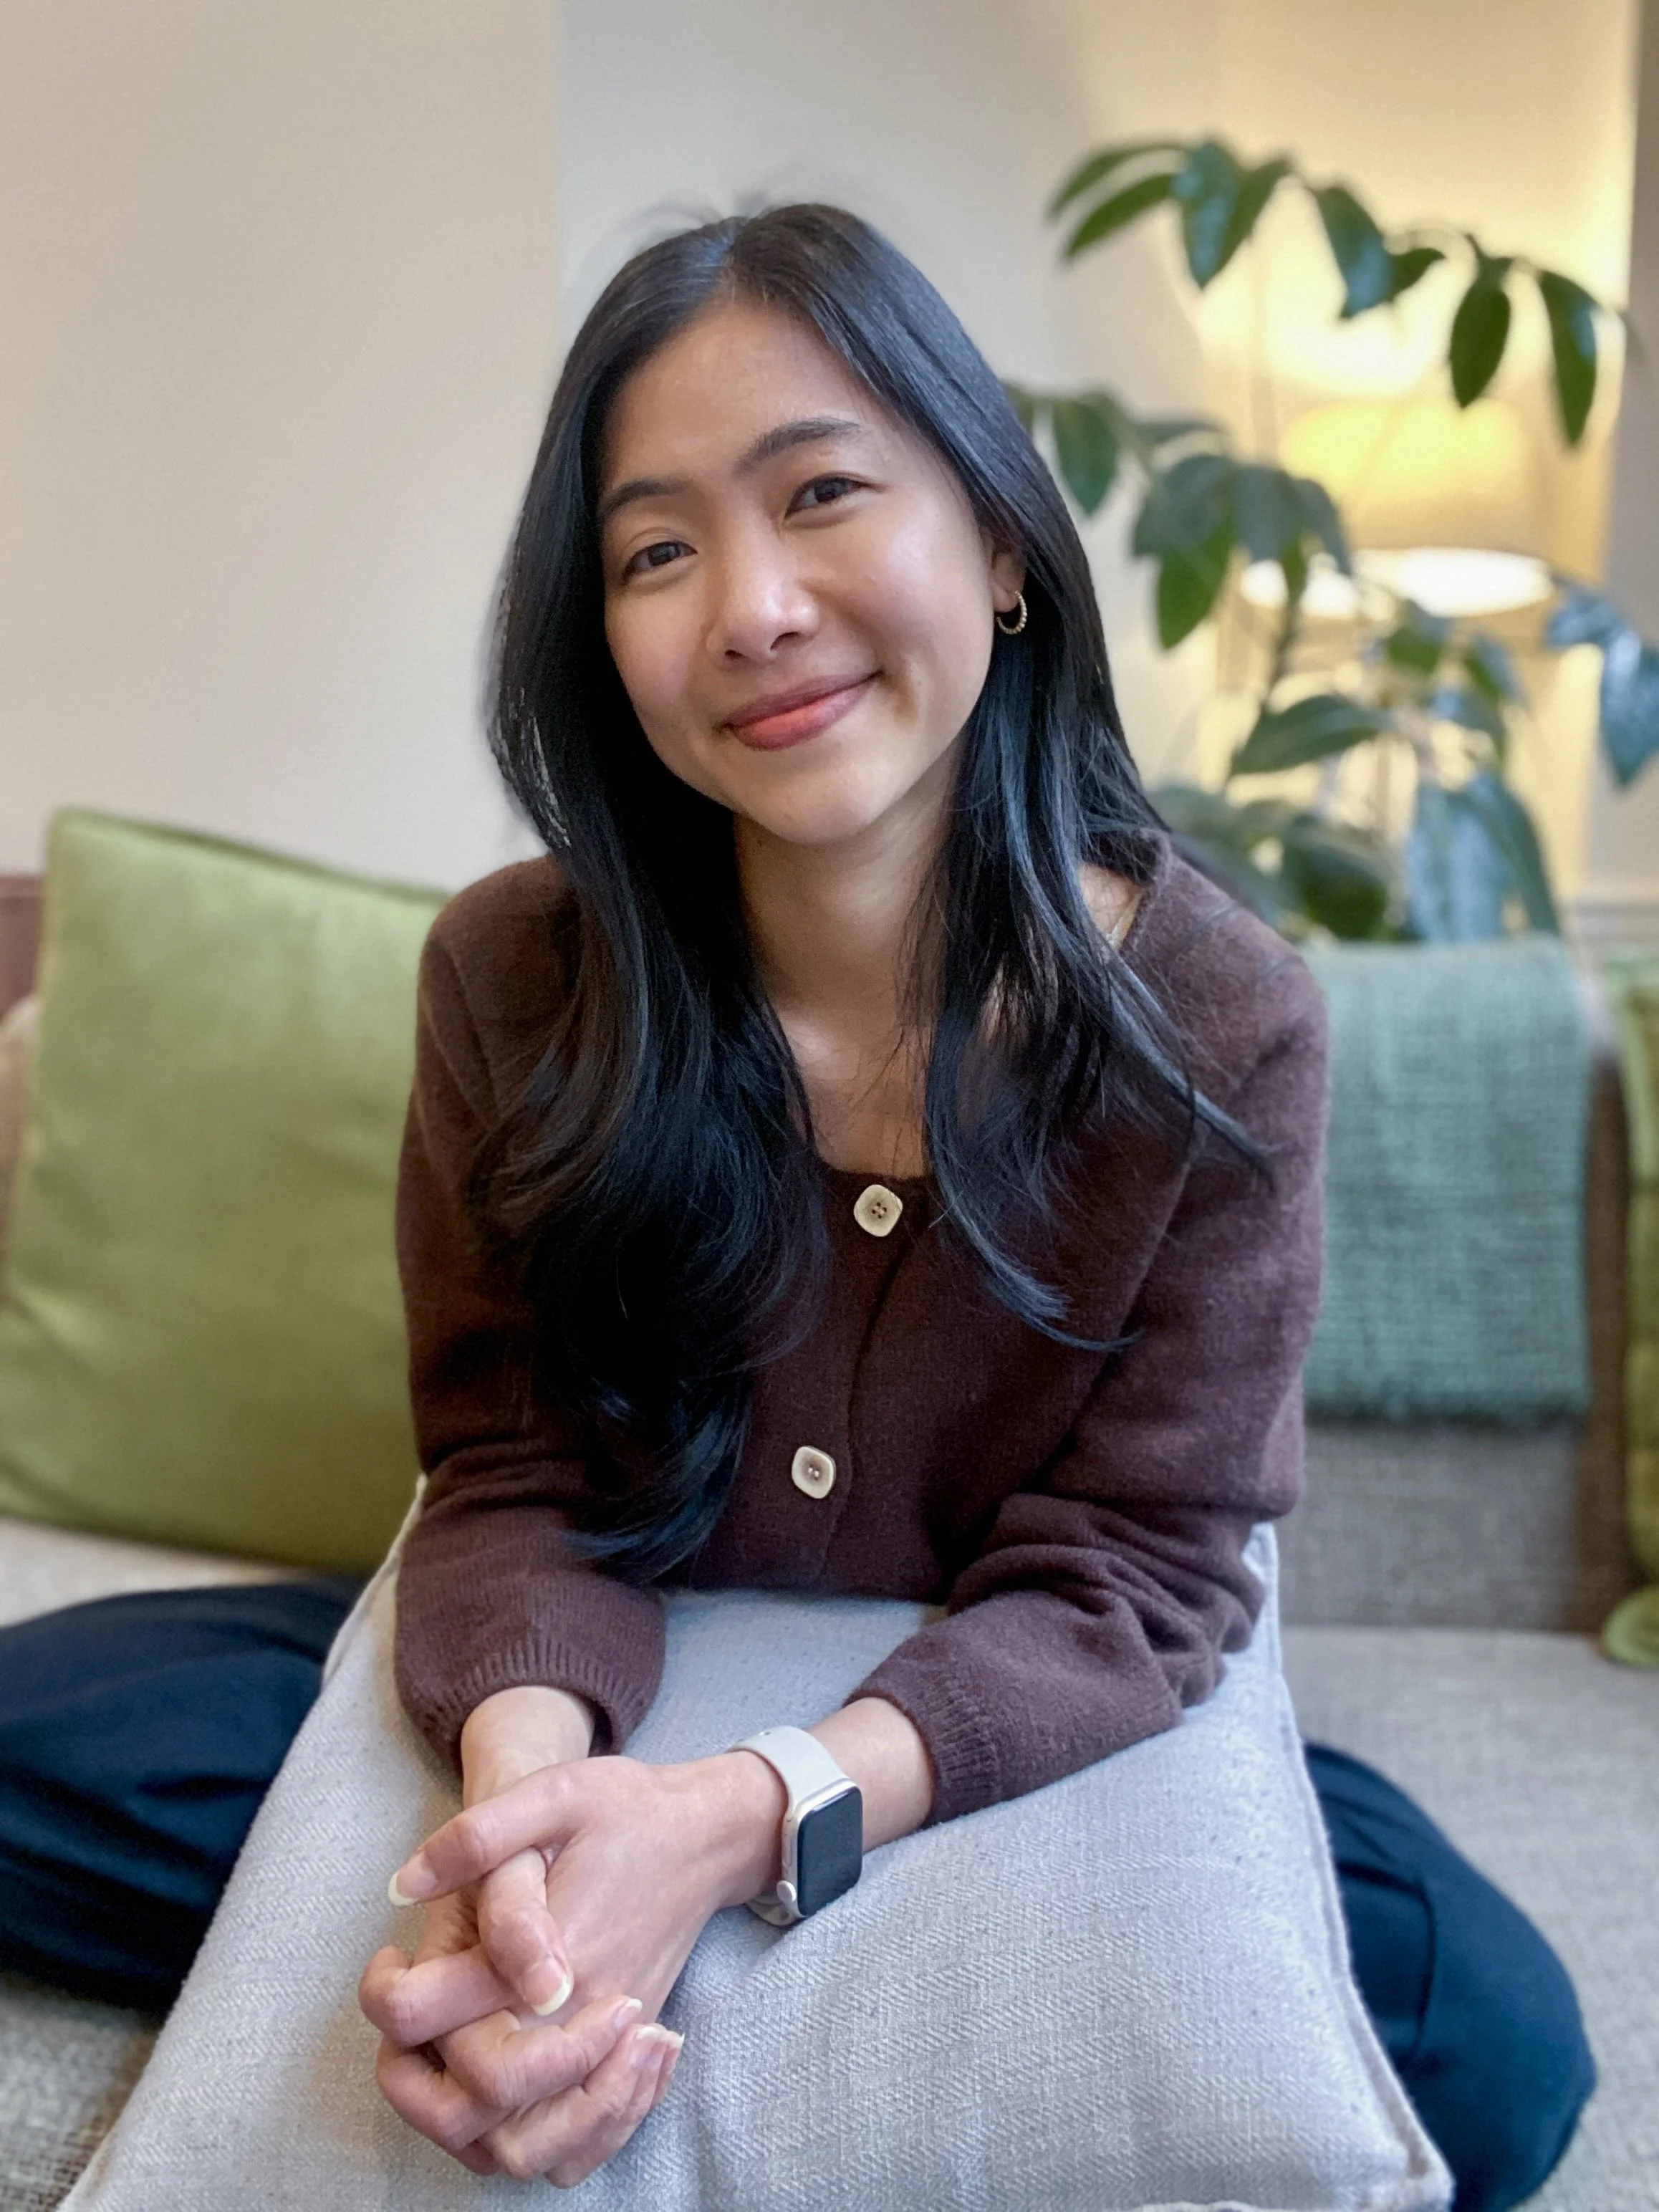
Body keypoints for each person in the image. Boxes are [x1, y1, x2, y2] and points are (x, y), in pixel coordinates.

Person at [0, 206, 1593, 2210]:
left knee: (1479, 2035)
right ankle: (673, 1970)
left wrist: (751, 1820)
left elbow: (1143, 1578)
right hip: (610, 1654)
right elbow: (510, 1475)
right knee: (33, 1741)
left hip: (979, 1709)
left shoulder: (1215, 1022)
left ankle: (723, 1945)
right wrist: (540, 1840)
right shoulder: (515, 976)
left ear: (1002, 546)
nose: (749, 606)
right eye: (656, 551)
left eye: (821, 492)